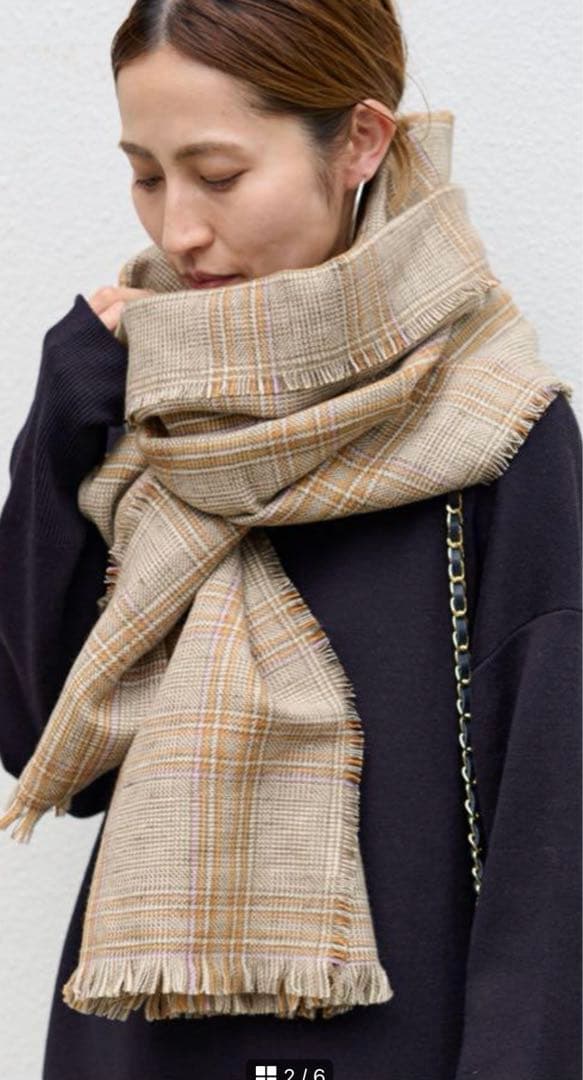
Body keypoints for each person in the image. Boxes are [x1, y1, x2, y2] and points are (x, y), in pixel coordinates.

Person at [0, 3, 580, 1079]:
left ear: (357, 141)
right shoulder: (136, 409)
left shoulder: (495, 428)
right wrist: (56, 437)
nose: (178, 228)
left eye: (217, 175)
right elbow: (46, 751)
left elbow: (554, 832)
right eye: (146, 175)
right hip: (134, 1046)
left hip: (397, 1045)